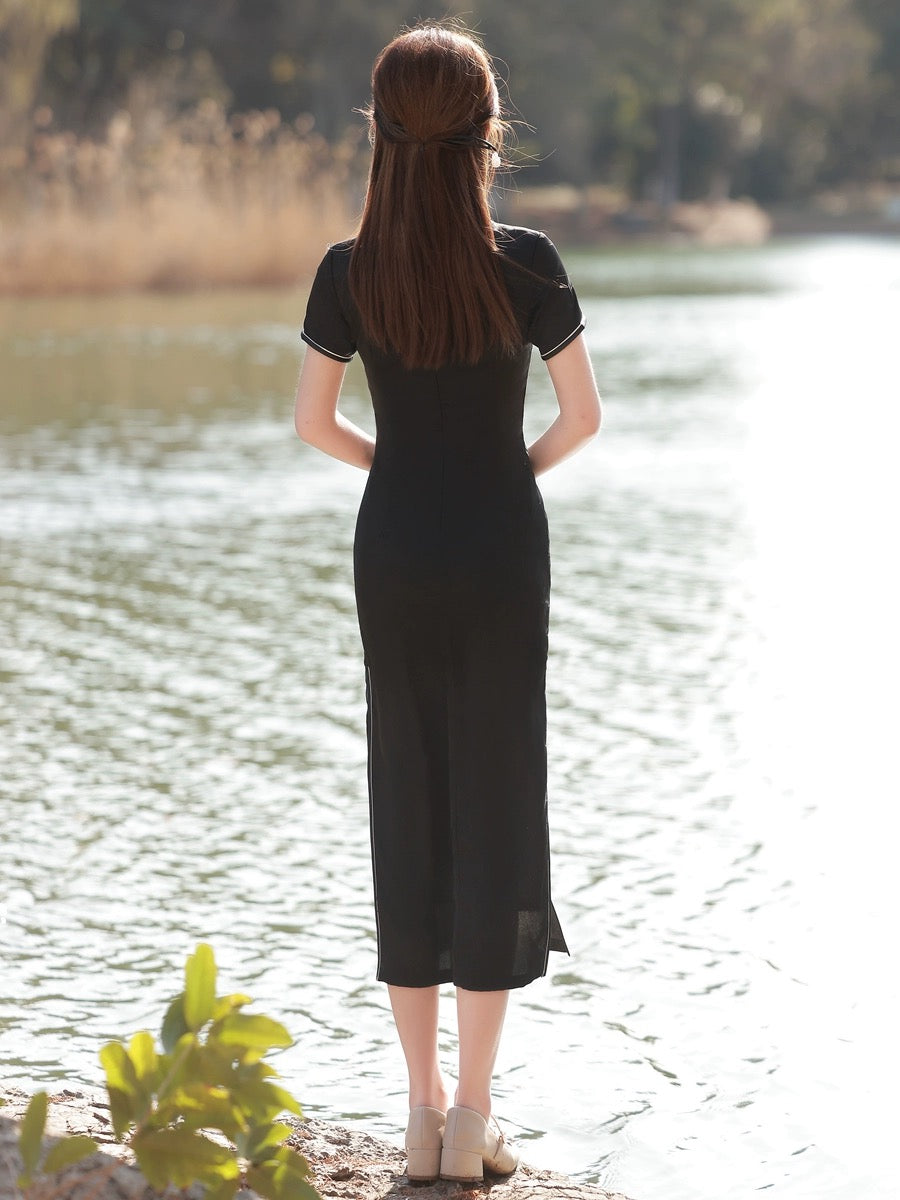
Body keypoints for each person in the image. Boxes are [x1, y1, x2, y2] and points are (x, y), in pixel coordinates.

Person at [294, 21, 601, 1185]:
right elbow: (581, 420)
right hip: (501, 550)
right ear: (486, 135)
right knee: (498, 799)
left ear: (380, 131)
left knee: (407, 794)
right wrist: (494, 478)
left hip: (397, 552)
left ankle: (417, 1116)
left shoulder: (347, 267)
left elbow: (315, 425)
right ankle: (476, 1117)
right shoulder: (527, 258)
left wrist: (409, 474)